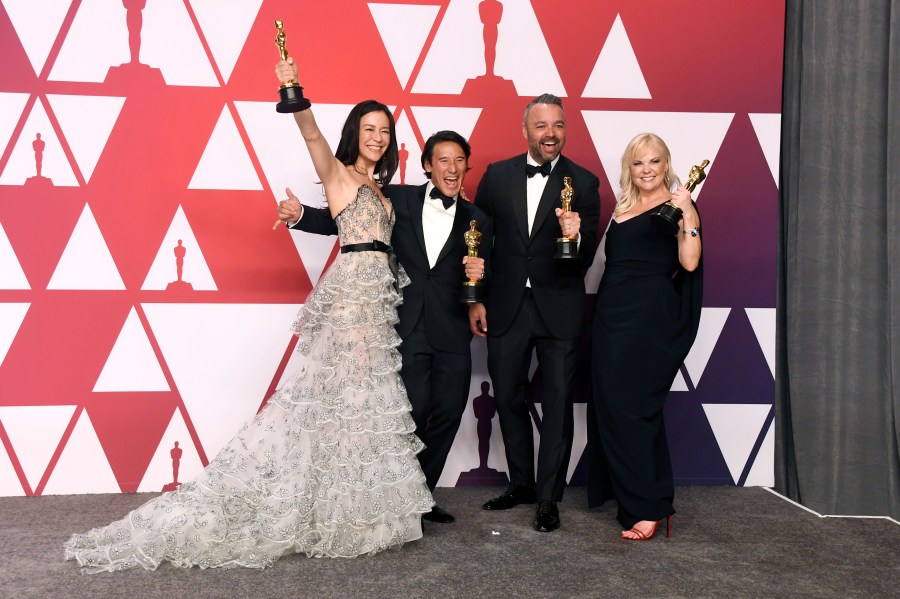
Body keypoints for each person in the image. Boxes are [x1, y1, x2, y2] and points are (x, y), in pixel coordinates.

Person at [63, 58, 433, 572]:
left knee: (364, 400)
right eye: (369, 129)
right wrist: (292, 87)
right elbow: (311, 139)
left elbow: (344, 225)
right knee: (345, 395)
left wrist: (305, 216)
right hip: (351, 298)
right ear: (355, 134)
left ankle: (360, 509)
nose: (377, 137)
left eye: (384, 132)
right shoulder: (339, 173)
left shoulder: (383, 191)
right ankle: (338, 510)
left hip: (378, 300)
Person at [279, 130, 492, 524]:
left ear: (467, 166)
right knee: (411, 413)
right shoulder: (399, 199)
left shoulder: (479, 220)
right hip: (404, 325)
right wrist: (302, 216)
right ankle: (400, 499)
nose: (452, 168)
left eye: (459, 160)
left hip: (451, 330)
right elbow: (347, 218)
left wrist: (482, 281)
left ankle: (421, 497)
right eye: (442, 160)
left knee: (448, 412)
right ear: (428, 166)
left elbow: (481, 272)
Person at [469, 93, 600, 532]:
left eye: (558, 125)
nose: (551, 133)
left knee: (559, 404)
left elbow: (583, 257)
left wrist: (576, 237)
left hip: (559, 308)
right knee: (507, 396)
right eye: (542, 125)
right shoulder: (497, 175)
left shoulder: (584, 182)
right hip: (506, 306)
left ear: (566, 129)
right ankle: (522, 483)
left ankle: (548, 497)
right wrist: (478, 298)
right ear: (525, 130)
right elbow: (479, 240)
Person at [587, 132, 702, 541]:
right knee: (610, 405)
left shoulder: (678, 206)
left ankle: (650, 505)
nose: (647, 169)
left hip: (648, 318)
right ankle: (634, 496)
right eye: (639, 163)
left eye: (654, 161)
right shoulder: (623, 206)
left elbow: (689, 263)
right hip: (611, 315)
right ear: (630, 168)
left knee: (636, 408)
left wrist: (688, 214)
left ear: (666, 164)